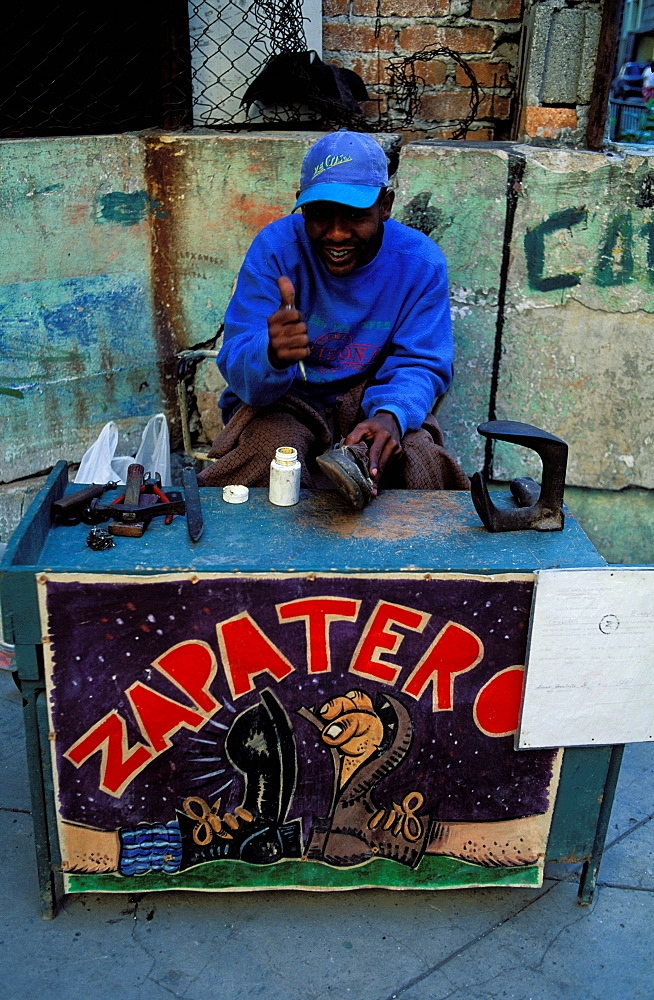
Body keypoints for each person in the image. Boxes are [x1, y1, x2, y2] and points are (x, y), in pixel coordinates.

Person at [197, 129, 469, 504]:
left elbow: (421, 363)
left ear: (385, 206)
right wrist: (271, 355)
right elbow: (243, 372)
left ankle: (409, 562)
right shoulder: (275, 251)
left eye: (356, 216)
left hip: (371, 397)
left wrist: (392, 413)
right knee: (271, 454)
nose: (337, 234)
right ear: (302, 207)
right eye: (320, 214)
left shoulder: (420, 263)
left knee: (417, 461)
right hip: (286, 400)